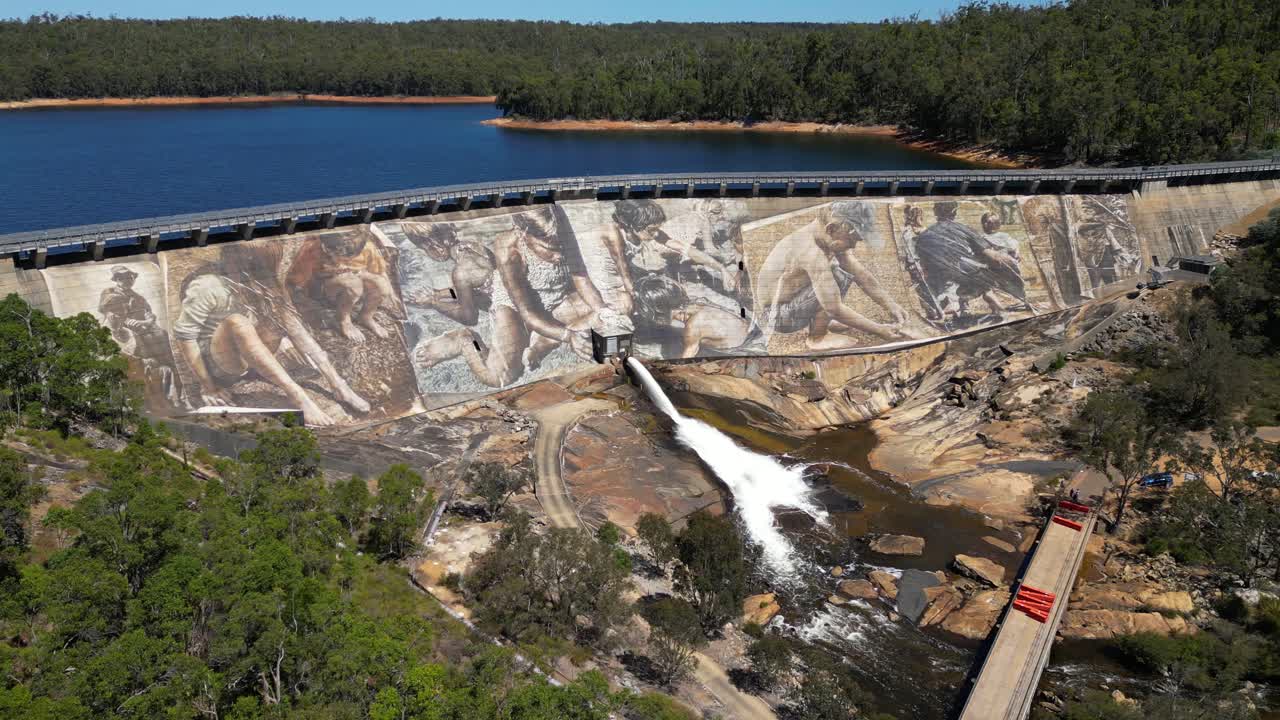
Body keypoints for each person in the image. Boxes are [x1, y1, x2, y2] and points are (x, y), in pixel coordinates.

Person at [173, 243, 370, 426]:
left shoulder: (260, 281)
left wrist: (335, 380)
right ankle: (298, 397)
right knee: (237, 322)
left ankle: (339, 386)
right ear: (244, 263)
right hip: (221, 362)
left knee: (283, 314)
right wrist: (208, 386)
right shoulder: (208, 285)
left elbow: (294, 327)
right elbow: (185, 337)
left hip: (248, 350)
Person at [757, 201, 918, 350]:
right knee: (836, 276)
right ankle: (817, 337)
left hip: (790, 303)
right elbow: (833, 308)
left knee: (837, 273)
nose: (854, 245)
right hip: (778, 317)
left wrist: (891, 304)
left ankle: (818, 319)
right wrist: (879, 329)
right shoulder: (810, 252)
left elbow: (861, 274)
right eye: (852, 239)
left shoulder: (825, 238)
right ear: (831, 229)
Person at [910, 202, 1029, 324]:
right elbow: (991, 255)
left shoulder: (925, 235)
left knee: (967, 277)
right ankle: (1008, 304)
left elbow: (922, 261)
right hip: (963, 273)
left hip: (938, 276)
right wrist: (1009, 262)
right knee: (989, 275)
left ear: (935, 212)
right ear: (954, 212)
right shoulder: (963, 229)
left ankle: (961, 307)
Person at [286, 229, 396, 342]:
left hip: (353, 289)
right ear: (326, 246)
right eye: (337, 255)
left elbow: (379, 273)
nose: (339, 260)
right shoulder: (312, 249)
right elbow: (295, 283)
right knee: (352, 283)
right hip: (324, 290)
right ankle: (343, 320)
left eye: (350, 257)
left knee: (381, 284)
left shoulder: (367, 247)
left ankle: (366, 316)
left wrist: (388, 292)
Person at [98, 264, 181, 406]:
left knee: (162, 335)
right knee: (138, 342)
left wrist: (147, 322)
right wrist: (131, 322)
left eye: (131, 277)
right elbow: (112, 315)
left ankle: (173, 382)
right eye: (124, 278)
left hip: (143, 327)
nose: (128, 280)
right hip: (122, 329)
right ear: (117, 279)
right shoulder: (110, 294)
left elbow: (150, 314)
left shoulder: (138, 297)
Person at [631, 274, 756, 357]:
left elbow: (685, 360)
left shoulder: (693, 326)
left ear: (659, 309)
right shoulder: (696, 303)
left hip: (746, 349)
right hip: (749, 334)